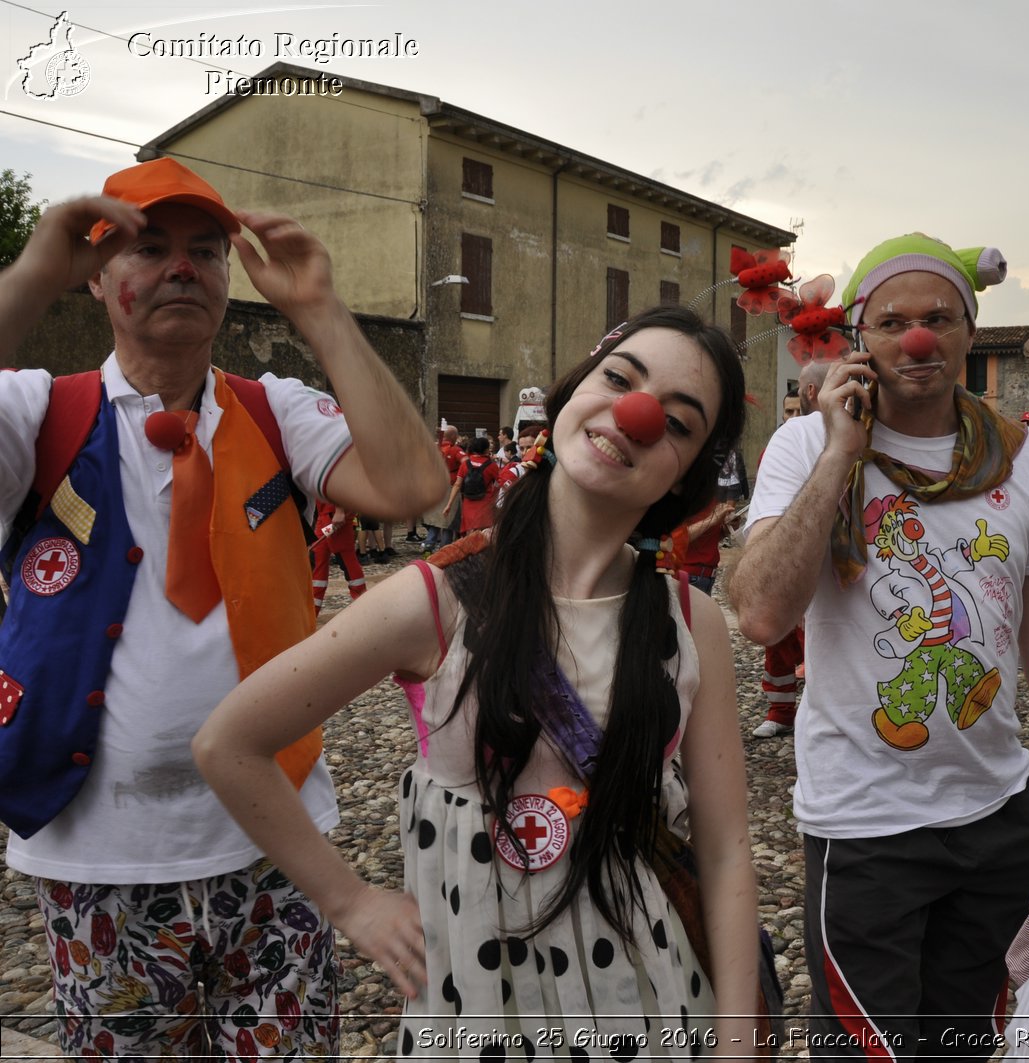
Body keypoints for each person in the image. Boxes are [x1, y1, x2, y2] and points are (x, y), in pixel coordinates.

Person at [196, 305, 761, 1056]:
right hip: (481, 1012)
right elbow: (229, 743)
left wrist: (736, 1041)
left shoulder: (694, 623)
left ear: (686, 473)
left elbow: (723, 852)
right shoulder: (433, 601)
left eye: (680, 423)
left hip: (653, 1005)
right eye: (620, 379)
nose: (637, 414)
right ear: (570, 397)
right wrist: (350, 901)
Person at [0, 158, 446, 1058]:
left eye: (205, 250)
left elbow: (412, 484)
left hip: (281, 849)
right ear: (97, 279)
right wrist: (34, 270)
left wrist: (317, 307)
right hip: (99, 859)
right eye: (145, 247)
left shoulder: (273, 408)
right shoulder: (38, 409)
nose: (180, 267)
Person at [729, 232, 1029, 1059]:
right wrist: (843, 452)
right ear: (859, 337)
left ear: (967, 329)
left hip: (997, 818)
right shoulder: (806, 446)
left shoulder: (1028, 458)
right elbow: (761, 613)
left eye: (938, 318)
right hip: (866, 824)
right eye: (892, 321)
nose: (917, 338)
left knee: (961, 1045)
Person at [753, 360, 828, 739]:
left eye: (796, 406)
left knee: (821, 640)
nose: (791, 416)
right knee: (778, 639)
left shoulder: (851, 433)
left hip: (826, 558)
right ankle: (781, 711)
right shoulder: (785, 441)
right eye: (787, 412)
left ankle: (823, 714)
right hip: (786, 547)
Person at [311, 501, 365, 613]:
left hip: (332, 513)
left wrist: (339, 510)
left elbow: (338, 484)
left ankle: (362, 604)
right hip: (326, 513)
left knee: (346, 558)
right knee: (318, 557)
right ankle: (312, 610)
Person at [444, 434, 502, 535]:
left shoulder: (465, 464)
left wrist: (449, 504)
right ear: (486, 450)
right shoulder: (492, 466)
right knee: (482, 534)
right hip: (485, 502)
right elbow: (499, 484)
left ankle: (470, 549)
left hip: (468, 502)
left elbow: (457, 484)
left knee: (470, 532)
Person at [423, 424, 465, 553]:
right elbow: (465, 462)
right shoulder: (455, 450)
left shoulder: (434, 448)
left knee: (435, 521)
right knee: (447, 522)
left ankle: (428, 547)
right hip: (450, 487)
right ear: (454, 437)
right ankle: (444, 551)